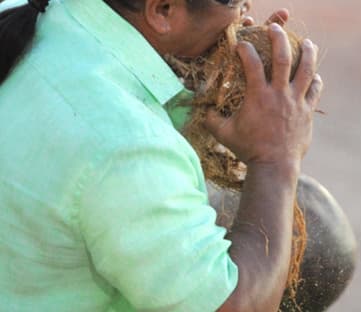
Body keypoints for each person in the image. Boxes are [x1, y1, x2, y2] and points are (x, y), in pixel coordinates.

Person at [0, 0, 324, 311]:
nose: (246, 11)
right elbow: (237, 306)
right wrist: (275, 158)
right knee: (322, 241)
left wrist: (201, 87)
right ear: (163, 9)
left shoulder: (30, 13)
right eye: (232, 1)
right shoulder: (129, 146)